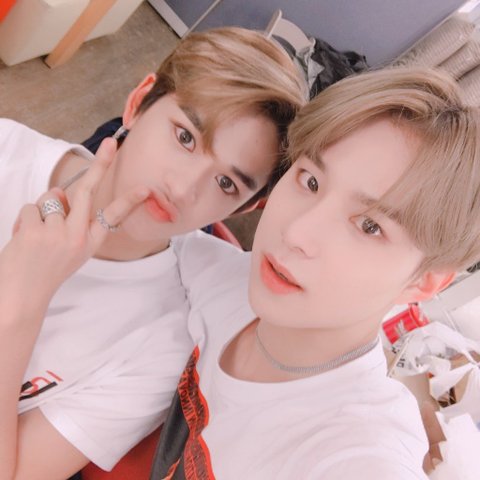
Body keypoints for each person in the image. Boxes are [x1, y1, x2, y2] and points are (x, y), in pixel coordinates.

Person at [0, 27, 306, 479]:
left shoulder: (161, 344)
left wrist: (20, 306)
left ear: (244, 207)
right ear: (139, 102)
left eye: (225, 183)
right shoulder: (7, 155)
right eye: (185, 137)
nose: (182, 189)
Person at [149, 67, 480, 479]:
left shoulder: (359, 449)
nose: (295, 233)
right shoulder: (225, 277)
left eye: (369, 226)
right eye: (310, 181)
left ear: (424, 281)